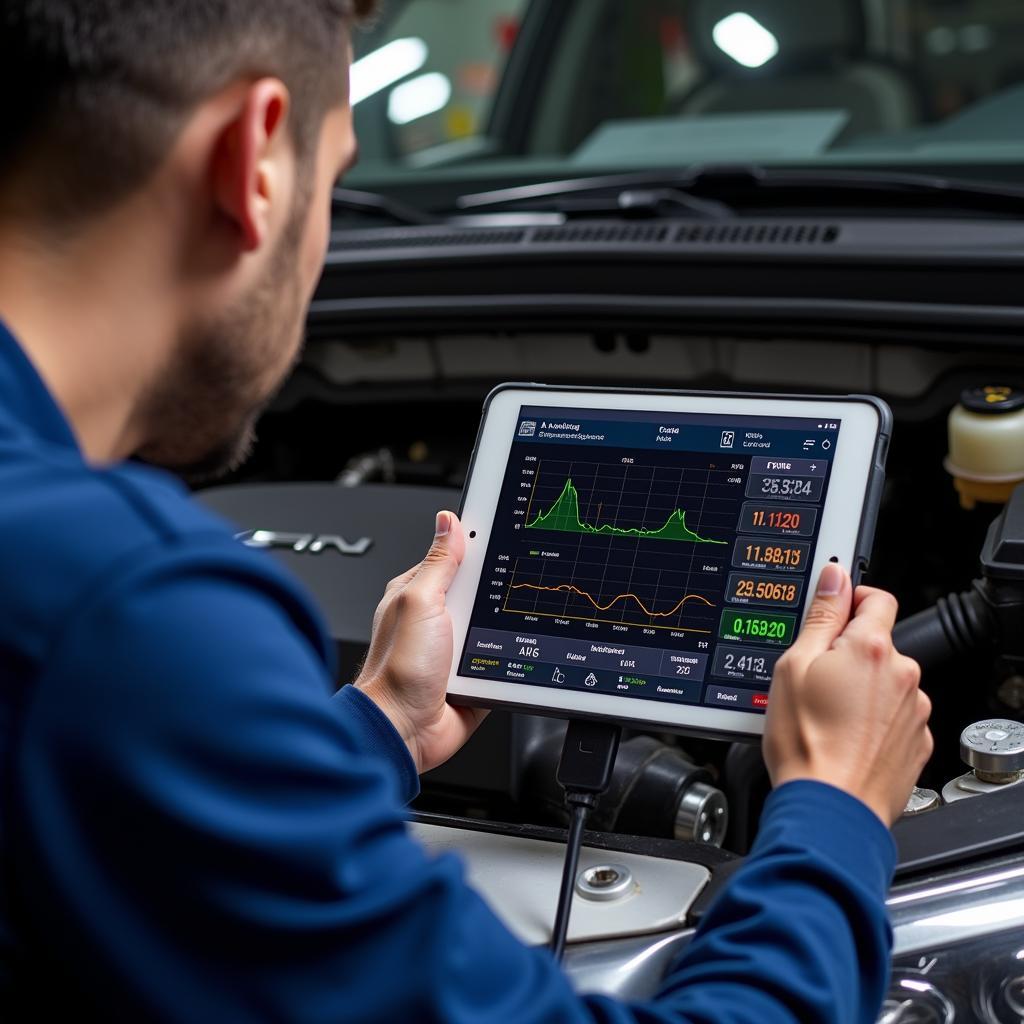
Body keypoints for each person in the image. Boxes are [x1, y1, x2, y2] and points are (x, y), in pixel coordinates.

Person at [0, 2, 933, 1021]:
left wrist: (373, 731)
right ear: (252, 156)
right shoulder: (123, 612)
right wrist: (836, 808)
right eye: (339, 184)